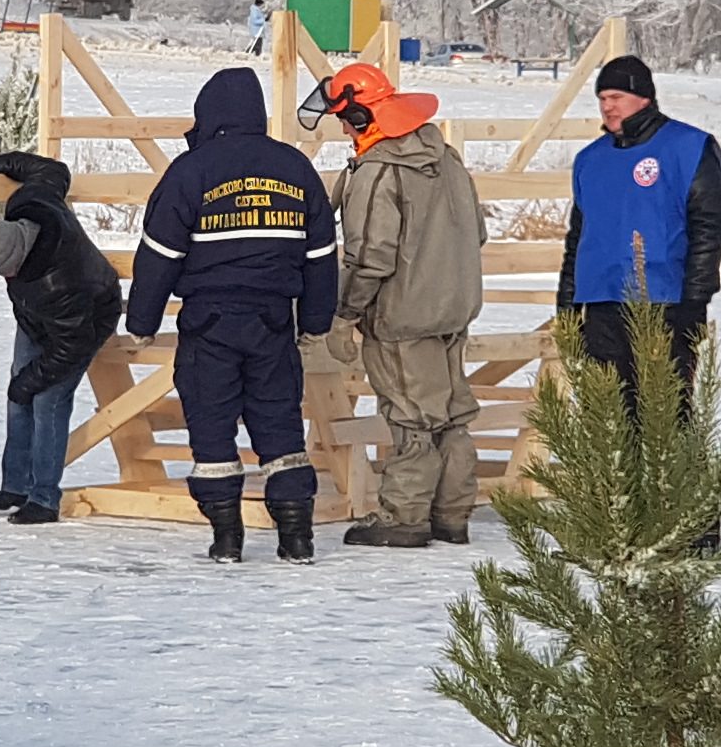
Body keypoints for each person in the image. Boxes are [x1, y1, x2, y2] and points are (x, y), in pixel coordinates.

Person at [127, 65, 339, 562]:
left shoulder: (191, 172)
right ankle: (297, 538)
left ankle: (226, 539)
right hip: (273, 324)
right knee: (280, 426)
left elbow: (158, 256)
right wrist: (314, 323)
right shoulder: (296, 169)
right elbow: (322, 258)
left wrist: (141, 323)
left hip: (210, 324)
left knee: (212, 425)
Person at [313, 61, 488, 548]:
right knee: (452, 413)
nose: (343, 127)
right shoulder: (445, 156)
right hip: (453, 310)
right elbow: (478, 231)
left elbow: (369, 255)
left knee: (410, 415)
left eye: (345, 118)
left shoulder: (378, 169)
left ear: (363, 115)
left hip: (402, 314)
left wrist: (345, 314)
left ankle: (405, 517)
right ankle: (452, 514)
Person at [557, 53, 721, 401]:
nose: (608, 107)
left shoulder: (689, 147)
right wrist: (567, 304)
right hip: (601, 305)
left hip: (665, 303)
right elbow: (578, 238)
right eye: (603, 99)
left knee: (666, 415)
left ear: (644, 98)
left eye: (617, 98)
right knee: (606, 418)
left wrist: (694, 302)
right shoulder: (590, 159)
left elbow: (708, 230)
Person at [0, 146, 121, 525]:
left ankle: (43, 499)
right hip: (38, 317)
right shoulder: (30, 201)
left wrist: (32, 379)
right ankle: (14, 487)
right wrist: (1, 163)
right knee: (17, 393)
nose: (4, 280)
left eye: (5, 273)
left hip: (85, 320)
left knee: (47, 398)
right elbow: (52, 169)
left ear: (16, 260)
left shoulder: (59, 283)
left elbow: (73, 345)